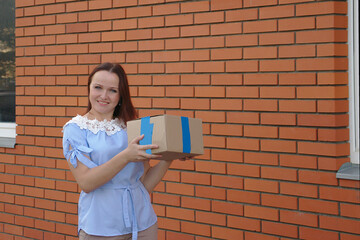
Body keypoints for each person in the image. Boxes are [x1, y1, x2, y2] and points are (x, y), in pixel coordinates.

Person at [62, 62, 173, 240]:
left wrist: (170, 156)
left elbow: (144, 185)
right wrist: (126, 156)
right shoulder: (75, 129)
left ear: (121, 95)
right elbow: (86, 183)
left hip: (143, 225)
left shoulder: (131, 126)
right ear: (89, 89)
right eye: (98, 87)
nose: (104, 96)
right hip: (101, 228)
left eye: (113, 90)